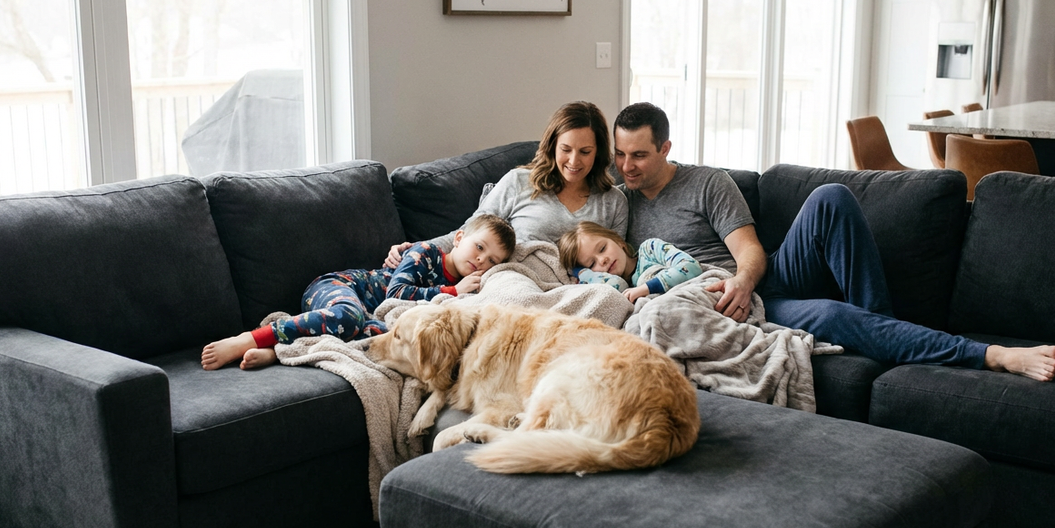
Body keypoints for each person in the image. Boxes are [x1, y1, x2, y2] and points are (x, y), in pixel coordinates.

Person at [612, 102, 1055, 381]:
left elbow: (749, 251)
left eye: (639, 155)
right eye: (620, 154)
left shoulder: (707, 183)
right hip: (717, 308)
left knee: (831, 197)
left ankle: (882, 329)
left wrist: (743, 284)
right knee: (833, 315)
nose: (627, 166)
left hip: (754, 287)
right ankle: (991, 355)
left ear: (665, 149)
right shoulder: (619, 202)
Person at [202, 213, 515, 371]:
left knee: (383, 340)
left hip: (365, 314)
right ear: (459, 238)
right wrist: (452, 290)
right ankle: (249, 338)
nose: (481, 260)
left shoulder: (471, 288)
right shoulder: (426, 253)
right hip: (339, 287)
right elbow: (396, 293)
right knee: (348, 316)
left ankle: (280, 351)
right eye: (479, 247)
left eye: (492, 261)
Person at [384, 100, 628, 269]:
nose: (574, 161)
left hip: (574, 291)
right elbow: (471, 232)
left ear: (598, 153)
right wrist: (419, 249)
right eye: (566, 149)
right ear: (553, 146)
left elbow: (616, 268)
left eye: (585, 152)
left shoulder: (614, 202)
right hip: (513, 280)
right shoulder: (519, 182)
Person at [557, 221, 702, 304]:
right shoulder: (617, 290)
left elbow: (690, 266)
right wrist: (582, 273)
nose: (602, 260)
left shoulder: (649, 249)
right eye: (591, 264)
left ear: (618, 241)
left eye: (602, 248)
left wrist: (646, 288)